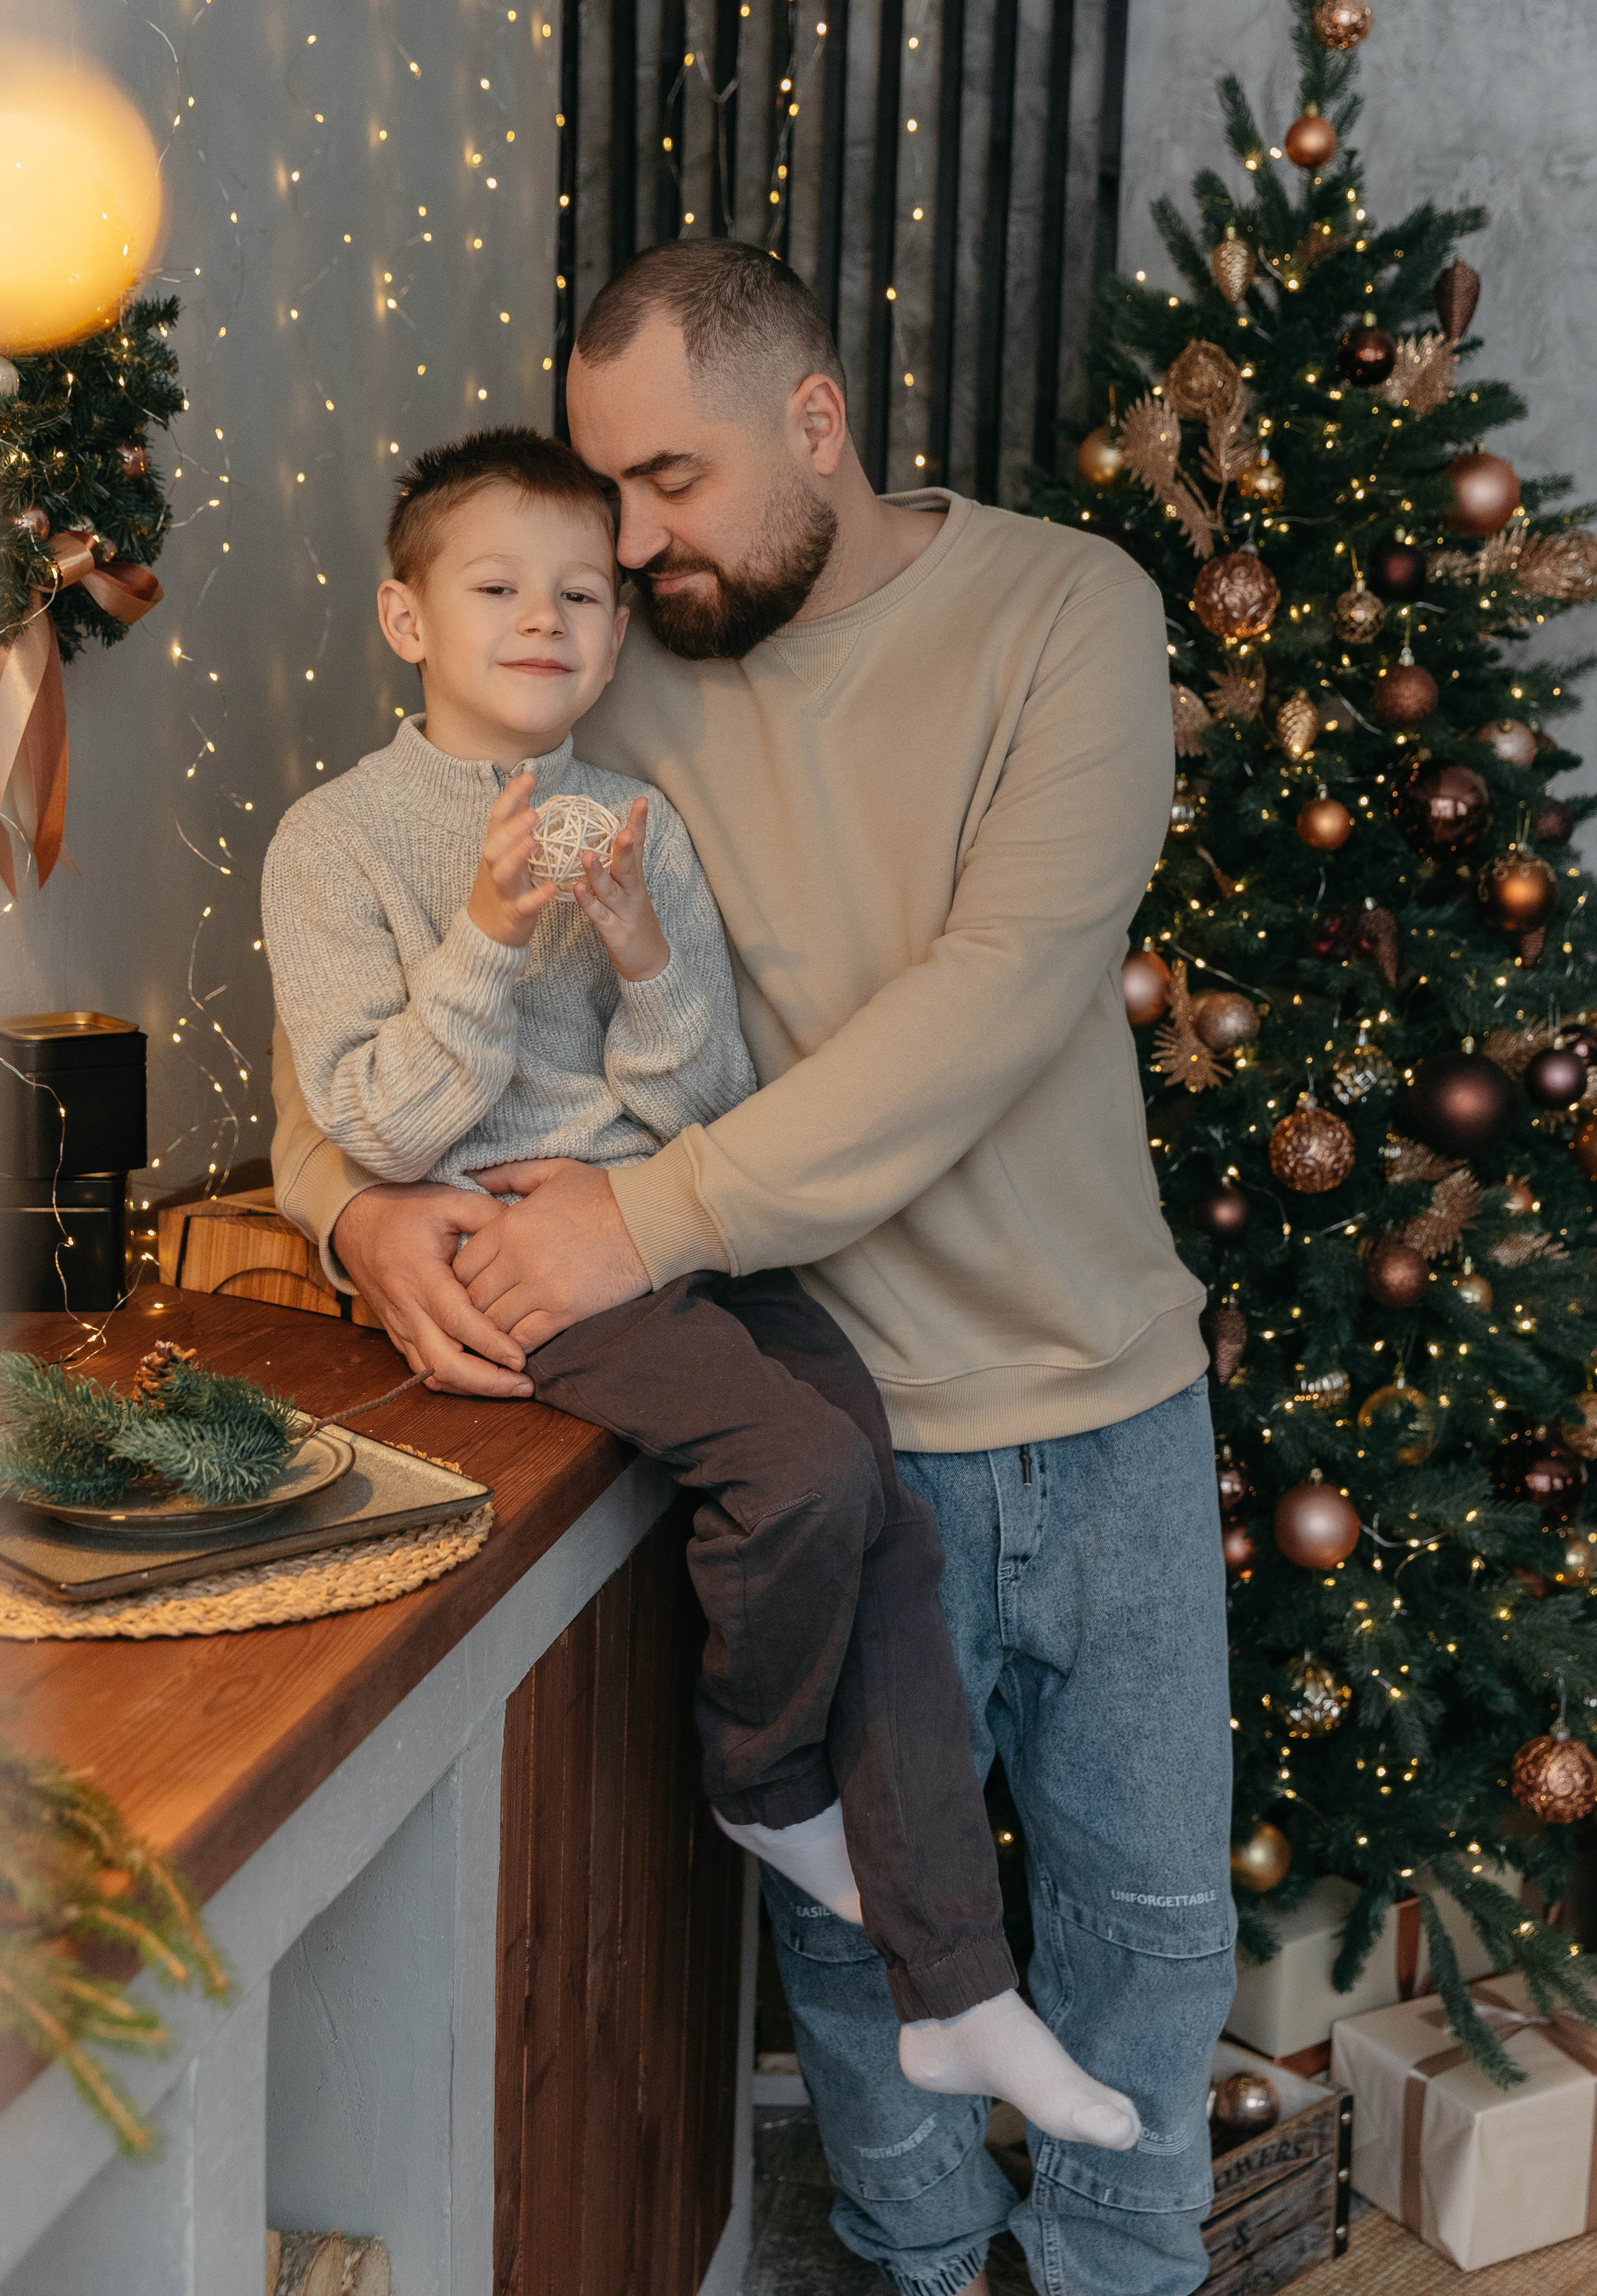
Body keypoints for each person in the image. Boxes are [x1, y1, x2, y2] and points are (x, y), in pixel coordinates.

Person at [271, 244, 1235, 2296]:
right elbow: (373, 990)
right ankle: (909, 2267)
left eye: (668, 483)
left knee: (1152, 1931)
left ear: (819, 424)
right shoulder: (621, 672)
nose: (620, 548)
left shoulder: (1069, 613)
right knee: (846, 1944)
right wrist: (349, 1216)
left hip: (1108, 1397)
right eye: (603, 497)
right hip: (834, 1397)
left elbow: (990, 1005)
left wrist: (642, 1215)